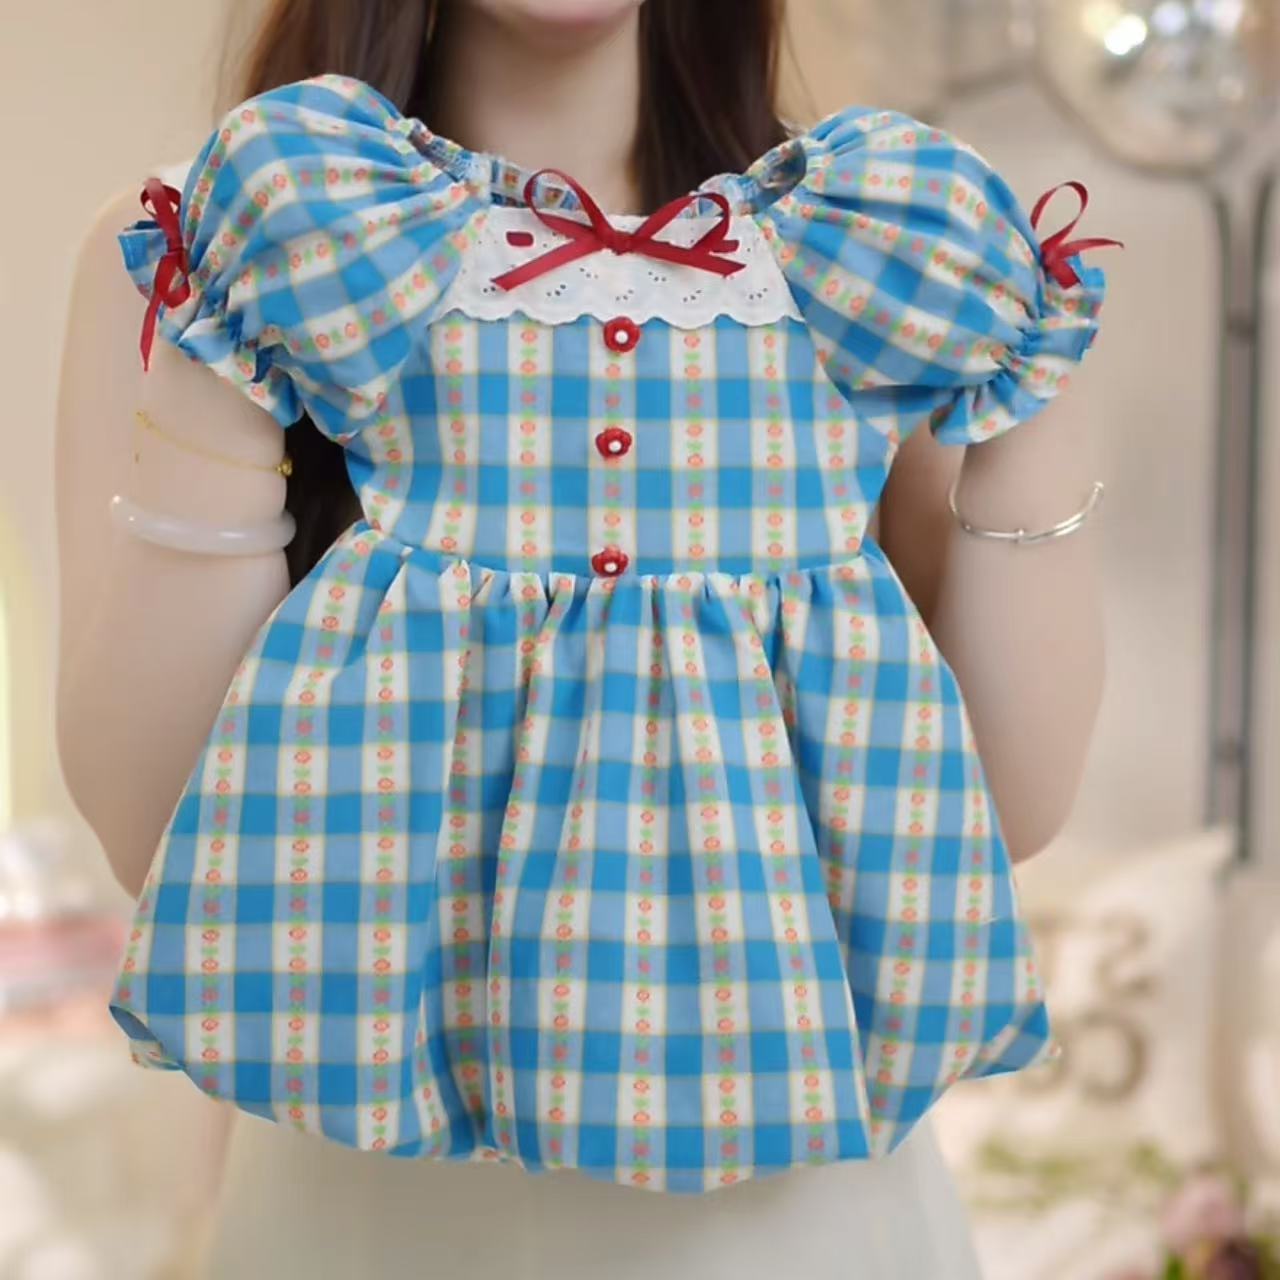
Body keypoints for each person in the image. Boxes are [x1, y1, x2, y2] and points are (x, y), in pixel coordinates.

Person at [54, 0, 1115, 1275]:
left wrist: (1030, 355)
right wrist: (236, 311)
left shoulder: (870, 249)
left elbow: (1000, 811)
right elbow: (161, 839)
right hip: (367, 1194)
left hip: (809, 1210)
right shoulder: (236, 232)